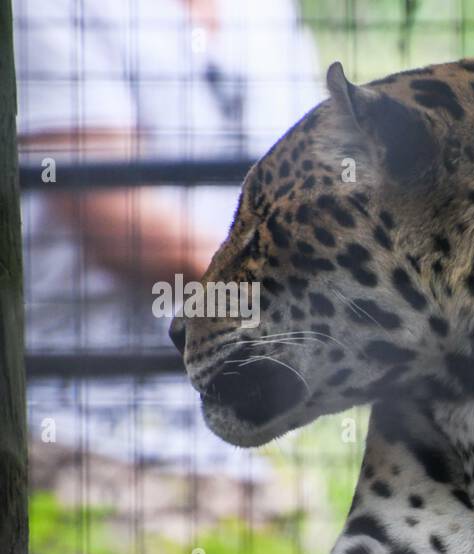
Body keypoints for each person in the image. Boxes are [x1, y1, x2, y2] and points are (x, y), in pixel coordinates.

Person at [15, 0, 322, 469]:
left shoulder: (268, 10)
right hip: (80, 423)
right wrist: (293, 287)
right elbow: (114, 216)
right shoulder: (47, 7)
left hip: (244, 427)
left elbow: (309, 182)